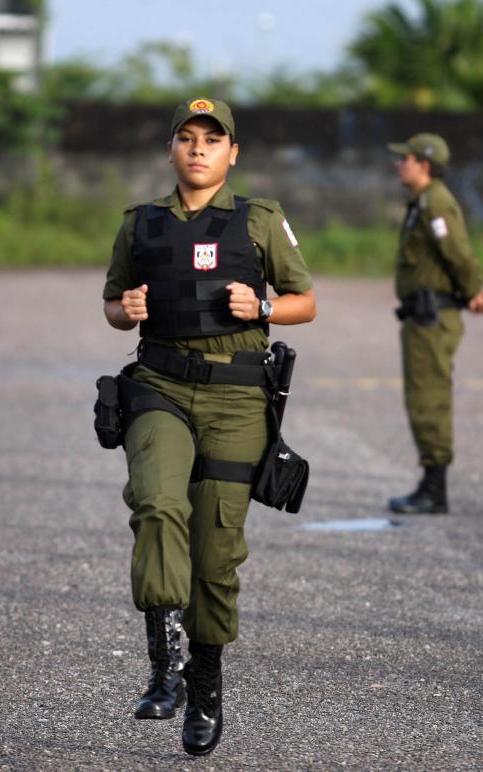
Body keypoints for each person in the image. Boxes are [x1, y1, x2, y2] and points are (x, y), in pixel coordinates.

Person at [102, 97, 316, 754]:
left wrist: (266, 305)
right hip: (160, 387)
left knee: (215, 557)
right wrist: (124, 308)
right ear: (171, 149)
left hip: (236, 401)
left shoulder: (260, 222)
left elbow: (306, 302)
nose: (198, 149)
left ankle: (205, 681)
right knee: (157, 503)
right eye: (187, 138)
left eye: (212, 140)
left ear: (232, 154)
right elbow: (113, 304)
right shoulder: (140, 225)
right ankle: (164, 664)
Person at [384, 133, 483, 515]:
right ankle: (431, 484)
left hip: (432, 316)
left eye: (406, 159)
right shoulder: (422, 202)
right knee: (423, 398)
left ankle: (434, 489)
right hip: (422, 315)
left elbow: (457, 252)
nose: (399, 164)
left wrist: (474, 290)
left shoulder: (434, 203)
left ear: (424, 165)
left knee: (428, 398)